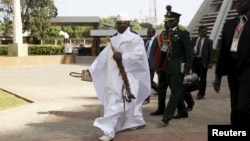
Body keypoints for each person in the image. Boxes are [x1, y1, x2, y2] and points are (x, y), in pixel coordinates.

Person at [87, 13, 151, 141]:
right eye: (117, 23)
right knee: (118, 103)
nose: (118, 26)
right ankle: (136, 121)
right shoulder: (114, 40)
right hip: (112, 78)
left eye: (121, 23)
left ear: (127, 24)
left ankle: (108, 131)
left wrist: (123, 57)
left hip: (128, 78)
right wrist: (91, 70)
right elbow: (102, 58)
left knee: (121, 104)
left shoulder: (135, 39)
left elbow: (138, 56)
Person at [213, 0, 250, 126]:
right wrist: (218, 75)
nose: (238, 3)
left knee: (243, 107)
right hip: (232, 73)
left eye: (242, 0)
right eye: (236, 1)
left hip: (248, 72)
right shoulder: (229, 24)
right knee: (235, 108)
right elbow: (223, 52)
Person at [158, 11, 194, 126]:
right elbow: (164, 50)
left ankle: (167, 115)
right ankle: (183, 111)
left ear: (177, 21)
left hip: (179, 65)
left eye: (171, 20)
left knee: (176, 91)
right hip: (168, 66)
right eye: (168, 21)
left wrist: (188, 66)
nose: (169, 23)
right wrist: (159, 65)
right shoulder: (165, 34)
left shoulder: (183, 33)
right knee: (174, 90)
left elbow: (190, 52)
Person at [150, 18, 169, 115]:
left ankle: (188, 103)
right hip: (162, 67)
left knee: (178, 89)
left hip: (172, 67)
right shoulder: (161, 35)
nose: (166, 24)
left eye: (167, 22)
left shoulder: (177, 34)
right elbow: (158, 52)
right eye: (165, 22)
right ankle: (161, 109)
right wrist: (157, 65)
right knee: (161, 89)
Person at [192, 25, 213, 100]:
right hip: (194, 61)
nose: (204, 33)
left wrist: (210, 62)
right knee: (194, 78)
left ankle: (201, 93)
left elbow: (210, 52)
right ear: (199, 32)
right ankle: (198, 89)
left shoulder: (209, 41)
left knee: (203, 78)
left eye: (205, 32)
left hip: (203, 62)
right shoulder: (194, 40)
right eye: (202, 32)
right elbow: (190, 50)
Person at [143, 27, 159, 105]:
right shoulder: (145, 41)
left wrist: (157, 64)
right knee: (147, 80)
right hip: (145, 63)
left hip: (152, 63)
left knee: (148, 81)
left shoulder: (156, 41)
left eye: (149, 32)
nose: (147, 34)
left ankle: (146, 98)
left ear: (153, 33)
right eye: (147, 32)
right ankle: (159, 89)